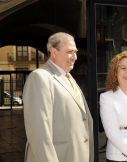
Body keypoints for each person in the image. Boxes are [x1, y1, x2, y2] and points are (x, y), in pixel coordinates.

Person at [23, 32, 94, 162]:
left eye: (76, 52)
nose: (75, 57)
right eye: (70, 52)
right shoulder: (40, 78)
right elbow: (40, 134)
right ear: (54, 52)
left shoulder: (69, 77)